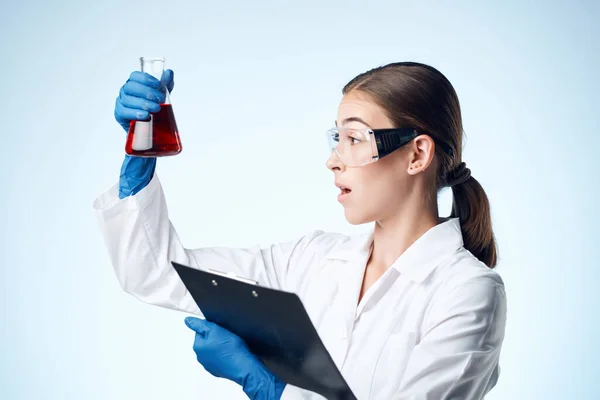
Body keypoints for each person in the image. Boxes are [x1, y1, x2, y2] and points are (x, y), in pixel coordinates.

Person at [94, 61, 507, 400]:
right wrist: (138, 166)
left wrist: (270, 390)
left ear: (417, 153)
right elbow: (159, 275)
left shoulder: (467, 291)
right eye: (336, 137)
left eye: (354, 137)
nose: (334, 160)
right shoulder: (311, 260)